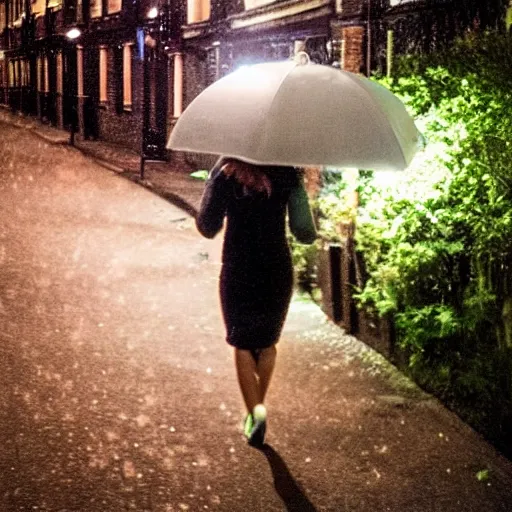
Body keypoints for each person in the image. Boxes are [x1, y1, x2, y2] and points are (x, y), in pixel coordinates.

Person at [196, 157, 317, 447]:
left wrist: (214, 178)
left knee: (242, 342)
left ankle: (256, 413)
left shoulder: (227, 173)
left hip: (238, 267)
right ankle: (258, 410)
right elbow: (305, 233)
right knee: (267, 343)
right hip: (275, 269)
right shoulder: (288, 174)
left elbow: (207, 226)